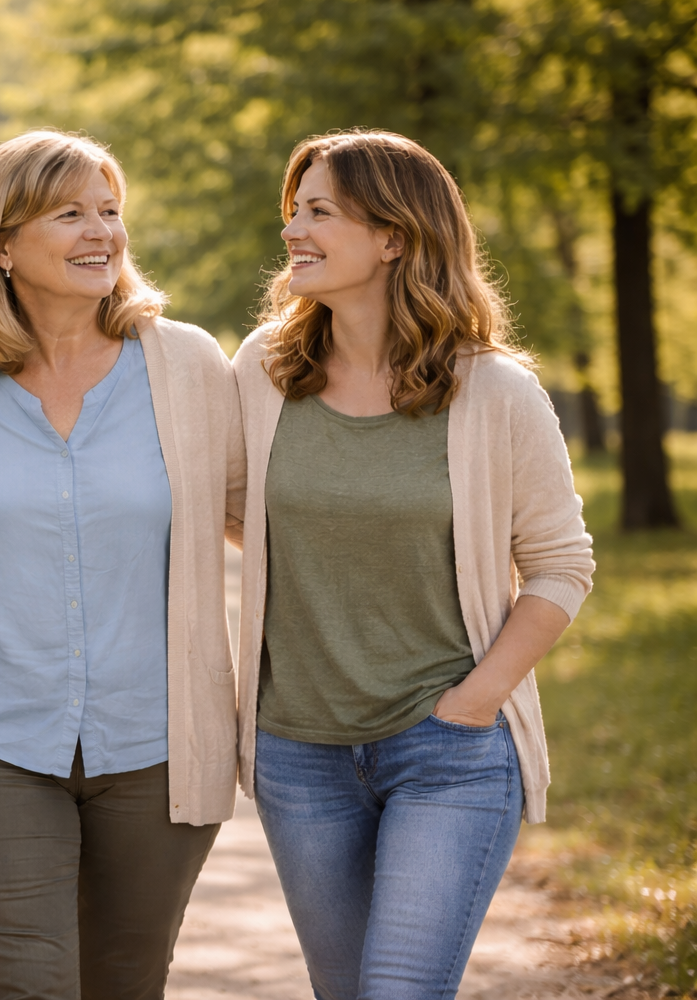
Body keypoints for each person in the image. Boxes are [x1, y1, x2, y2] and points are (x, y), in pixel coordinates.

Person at [233, 131, 595, 1000]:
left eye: (320, 212)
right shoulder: (263, 371)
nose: (292, 231)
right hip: (299, 752)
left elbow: (560, 564)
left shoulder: (494, 391)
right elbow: (234, 513)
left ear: (393, 236)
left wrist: (476, 700)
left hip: (446, 749)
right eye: (294, 211)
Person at [0, 130, 247, 1000]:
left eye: (110, 211)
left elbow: (262, 520)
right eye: (70, 214)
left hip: (157, 743)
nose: (102, 232)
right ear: (1, 244)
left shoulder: (185, 365)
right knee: (28, 983)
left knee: (126, 982)